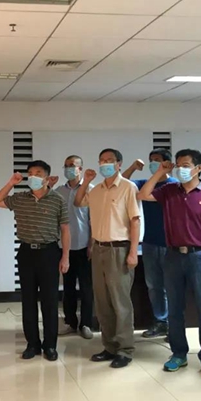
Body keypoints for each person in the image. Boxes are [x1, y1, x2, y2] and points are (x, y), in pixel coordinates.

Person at [138, 149, 201, 378]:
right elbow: (143, 195)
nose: (181, 169)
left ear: (199, 168)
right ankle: (178, 353)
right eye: (178, 165)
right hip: (173, 256)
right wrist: (160, 172)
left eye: (186, 165)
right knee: (175, 309)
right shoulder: (169, 190)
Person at [0, 160, 70, 361]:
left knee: (50, 301)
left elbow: (65, 229)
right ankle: (32, 344)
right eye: (31, 173)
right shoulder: (20, 198)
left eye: (38, 173)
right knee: (28, 301)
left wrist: (65, 257)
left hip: (49, 252)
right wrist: (11, 183)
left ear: (47, 177)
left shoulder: (57, 200)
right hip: (26, 252)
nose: (33, 176)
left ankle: (50, 346)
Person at [74, 148, 141, 369]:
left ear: (119, 164)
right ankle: (109, 346)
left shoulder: (128, 187)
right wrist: (86, 181)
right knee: (102, 302)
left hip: (119, 249)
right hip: (99, 249)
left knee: (120, 302)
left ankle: (125, 349)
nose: (105, 164)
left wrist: (133, 252)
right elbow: (78, 202)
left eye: (110, 160)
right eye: (102, 160)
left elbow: (135, 221)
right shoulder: (96, 190)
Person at [123, 149, 178, 339]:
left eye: (157, 160)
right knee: (154, 285)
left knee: (171, 286)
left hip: (170, 243)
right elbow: (122, 183)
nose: (153, 163)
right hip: (149, 242)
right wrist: (133, 167)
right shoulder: (146, 184)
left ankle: (174, 325)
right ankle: (160, 322)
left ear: (167, 163)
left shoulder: (174, 185)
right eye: (151, 160)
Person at [55, 155, 95, 340]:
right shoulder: (59, 191)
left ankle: (86, 323)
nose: (69, 168)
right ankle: (70, 322)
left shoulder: (91, 190)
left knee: (87, 287)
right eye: (66, 165)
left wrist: (91, 245)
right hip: (64, 248)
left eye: (73, 165)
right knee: (68, 287)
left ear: (81, 168)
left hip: (84, 245)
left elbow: (94, 220)